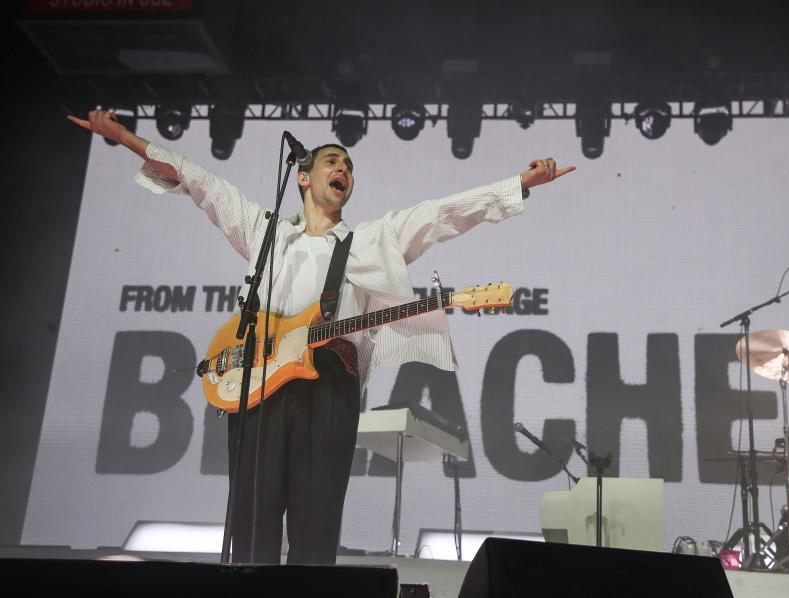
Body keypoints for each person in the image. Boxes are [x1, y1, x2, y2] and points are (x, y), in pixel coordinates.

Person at [69, 109, 574, 564]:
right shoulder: (265, 231)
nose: (345, 172)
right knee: (250, 521)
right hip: (257, 380)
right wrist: (121, 136)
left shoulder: (372, 241)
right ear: (303, 177)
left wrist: (519, 185)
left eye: (350, 168)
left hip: (328, 380)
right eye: (335, 162)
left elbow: (441, 214)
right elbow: (201, 182)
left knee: (315, 522)